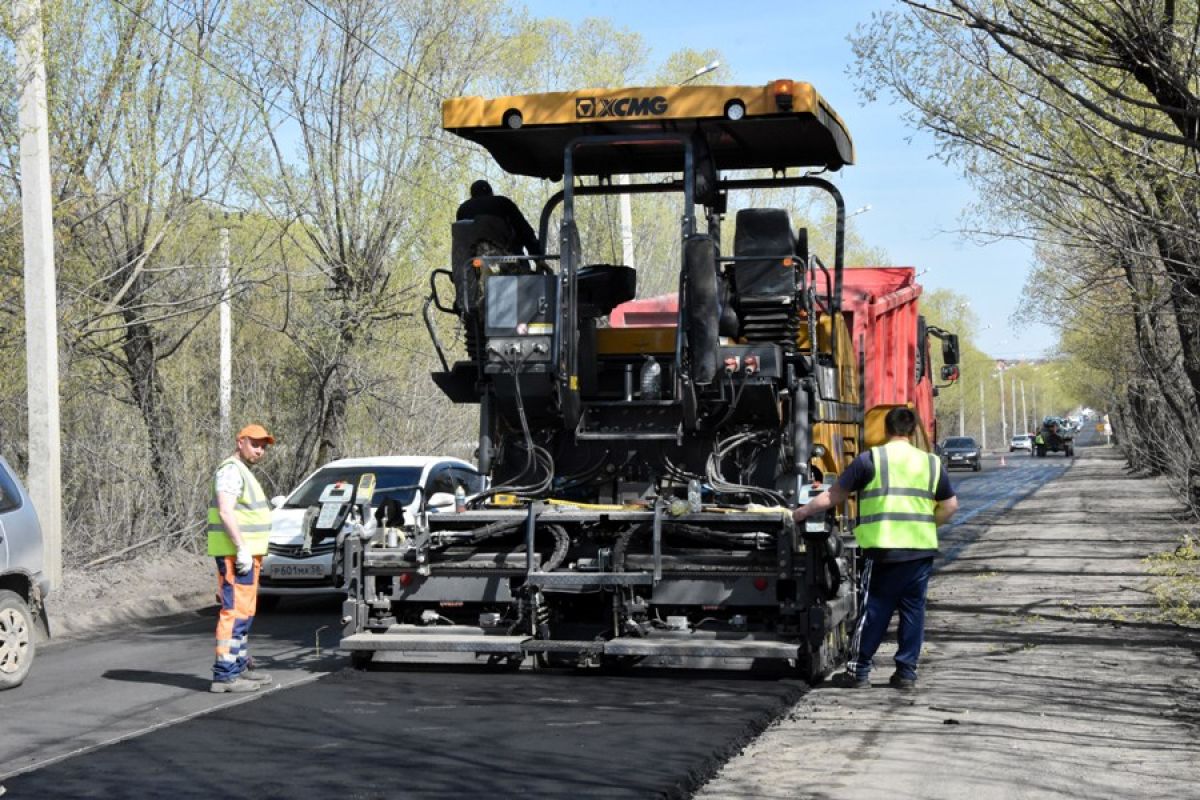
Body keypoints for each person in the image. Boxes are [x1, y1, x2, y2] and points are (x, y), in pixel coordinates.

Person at [793, 407, 958, 690]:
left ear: (885, 429)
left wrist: (799, 513)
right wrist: (927, 525)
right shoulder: (931, 463)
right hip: (919, 552)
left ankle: (859, 671)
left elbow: (833, 495)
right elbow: (950, 506)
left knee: (874, 610)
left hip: (883, 551)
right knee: (913, 612)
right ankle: (906, 673)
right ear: (912, 430)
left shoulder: (871, 460)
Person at [207, 423, 276, 693]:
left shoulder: (243, 472)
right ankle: (224, 675)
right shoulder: (231, 471)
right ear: (240, 442)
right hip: (236, 556)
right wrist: (241, 549)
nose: (259, 450)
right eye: (255, 444)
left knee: (245, 612)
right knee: (234, 612)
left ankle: (237, 667)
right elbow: (226, 511)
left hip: (246, 556)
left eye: (263, 446)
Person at [455, 179, 541, 257]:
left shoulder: (462, 210)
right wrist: (537, 256)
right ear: (491, 192)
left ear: (472, 195)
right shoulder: (502, 203)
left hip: (469, 263)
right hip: (507, 261)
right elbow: (524, 229)